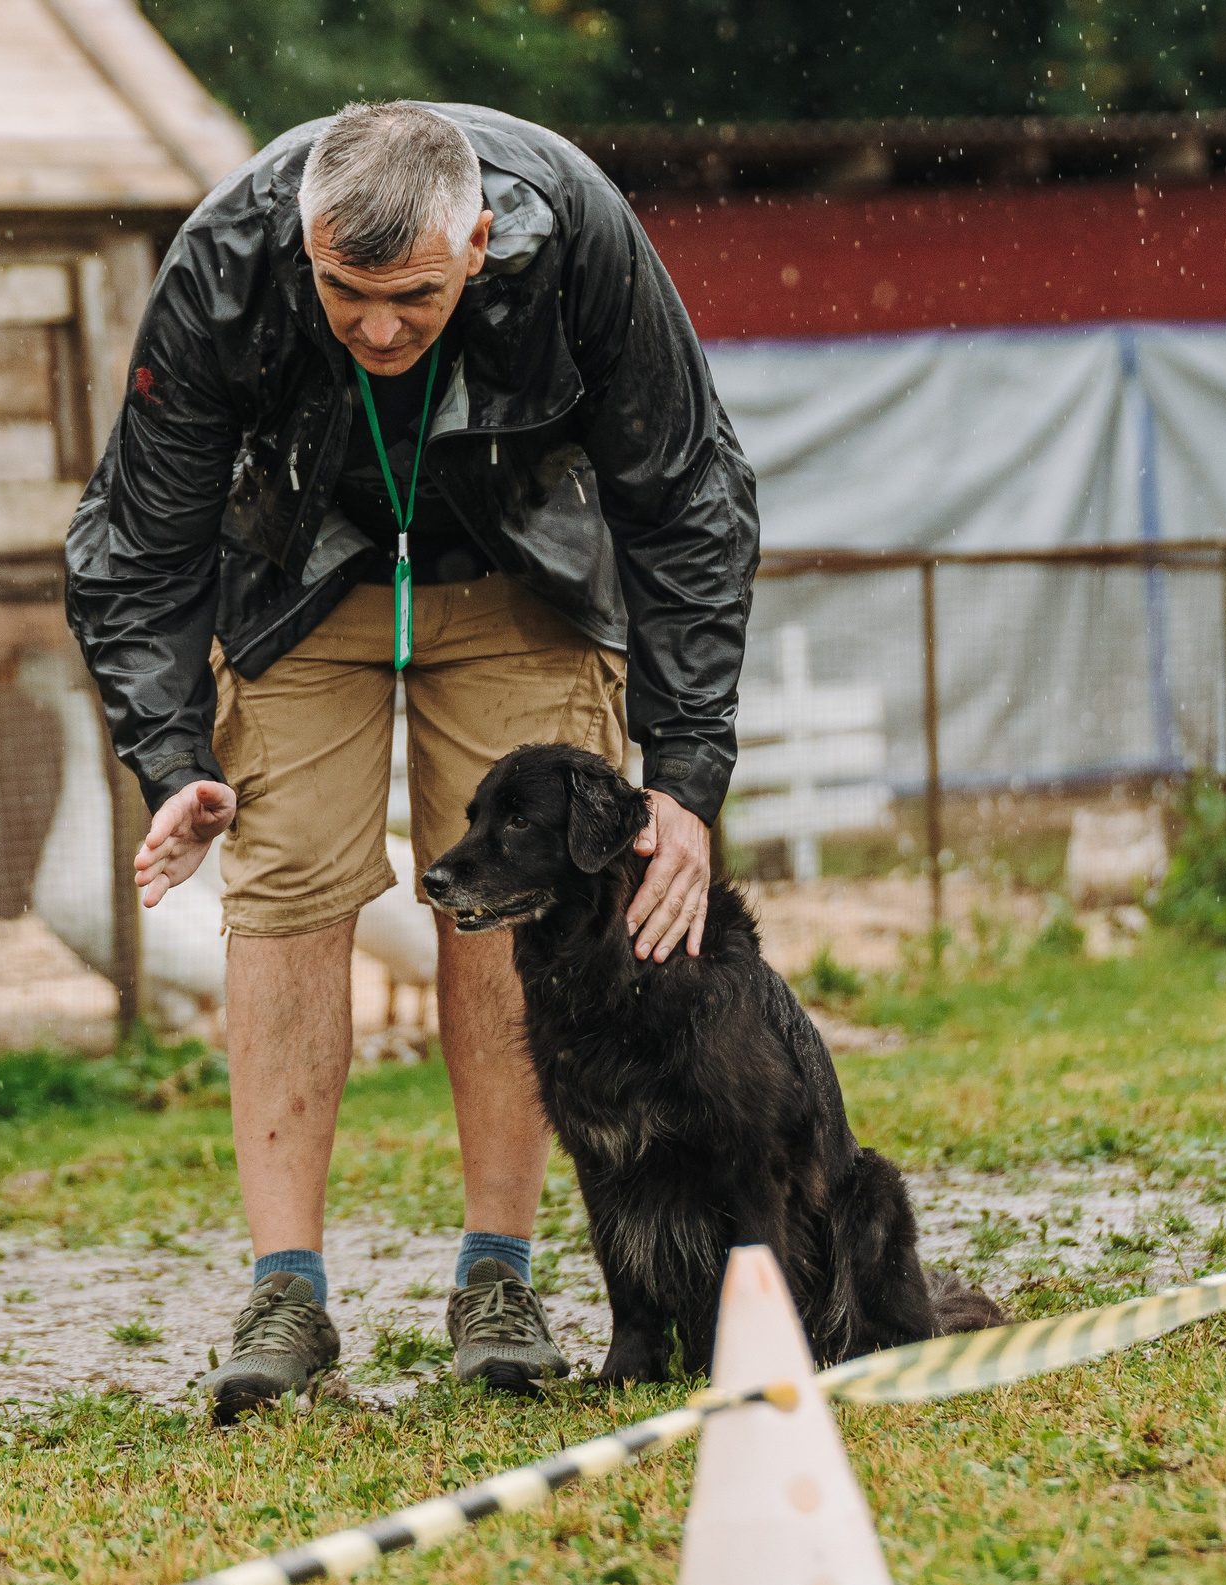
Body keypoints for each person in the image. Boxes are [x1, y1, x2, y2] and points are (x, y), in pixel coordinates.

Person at [66, 100, 755, 1422]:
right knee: (284, 891)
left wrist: (685, 775)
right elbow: (140, 534)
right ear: (301, 243)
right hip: (299, 579)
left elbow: (685, 499)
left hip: (519, 567)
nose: (379, 331)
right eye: (347, 293)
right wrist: (170, 759)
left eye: (416, 298)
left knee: (514, 896)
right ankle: (286, 1295)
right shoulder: (226, 259)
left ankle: (498, 1279)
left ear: (480, 244)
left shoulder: (581, 237)